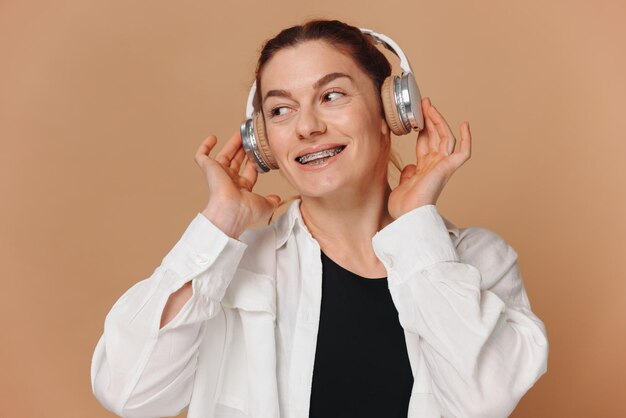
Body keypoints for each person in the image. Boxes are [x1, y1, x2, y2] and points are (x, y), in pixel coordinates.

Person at [91, 19, 548, 418]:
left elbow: (483, 403)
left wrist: (415, 225)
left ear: (391, 111)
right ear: (264, 142)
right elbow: (129, 393)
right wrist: (219, 221)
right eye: (280, 110)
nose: (307, 126)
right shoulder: (234, 268)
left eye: (331, 96)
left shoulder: (479, 261)